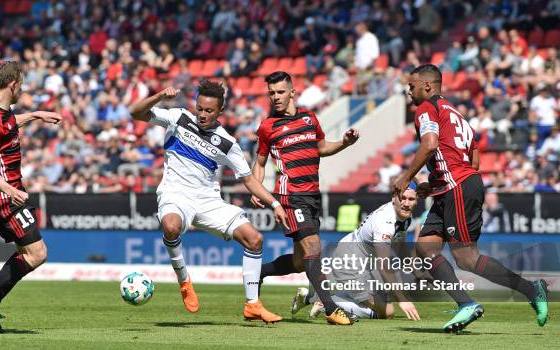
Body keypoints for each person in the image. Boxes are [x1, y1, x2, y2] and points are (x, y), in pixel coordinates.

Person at [394, 64, 548, 333]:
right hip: (453, 185)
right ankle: (466, 303)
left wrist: (407, 177)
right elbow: (473, 160)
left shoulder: (427, 108)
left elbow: (430, 145)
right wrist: (436, 182)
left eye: (412, 85)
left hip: (457, 187)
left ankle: (530, 289)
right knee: (426, 248)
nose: (408, 91)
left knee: (466, 257)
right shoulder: (458, 115)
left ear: (427, 86)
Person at [129, 80, 288, 323]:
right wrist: (160, 94)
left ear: (220, 112)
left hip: (207, 199)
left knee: (254, 239)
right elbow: (135, 112)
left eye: (208, 111)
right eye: (199, 109)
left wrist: (275, 204)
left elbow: (249, 180)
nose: (202, 115)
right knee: (170, 226)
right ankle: (184, 280)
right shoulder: (178, 117)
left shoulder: (227, 143)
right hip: (175, 192)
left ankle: (253, 304)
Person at [252, 71, 360, 325]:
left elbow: (321, 148)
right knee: (314, 249)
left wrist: (344, 142)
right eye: (271, 93)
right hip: (291, 196)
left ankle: (259, 272)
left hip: (312, 195)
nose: (275, 97)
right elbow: (260, 162)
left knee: (302, 262)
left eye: (280, 92)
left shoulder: (310, 118)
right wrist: (257, 188)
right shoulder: (268, 126)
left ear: (292, 92)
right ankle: (332, 309)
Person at [0, 61, 63, 333]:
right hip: (4, 198)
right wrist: (12, 191)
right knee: (37, 253)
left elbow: (7, 124)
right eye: (21, 84)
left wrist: (36, 114)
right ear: (13, 85)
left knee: (27, 252)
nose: (22, 89)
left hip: (7, 195)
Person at [293, 185, 422, 322]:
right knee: (387, 312)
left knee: (388, 293)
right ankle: (321, 301)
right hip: (350, 261)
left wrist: (415, 270)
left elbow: (400, 247)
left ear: (417, 200)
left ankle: (316, 297)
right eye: (402, 198)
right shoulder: (385, 222)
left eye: (411, 199)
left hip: (363, 262)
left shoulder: (404, 218)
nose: (406, 203)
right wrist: (403, 300)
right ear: (394, 198)